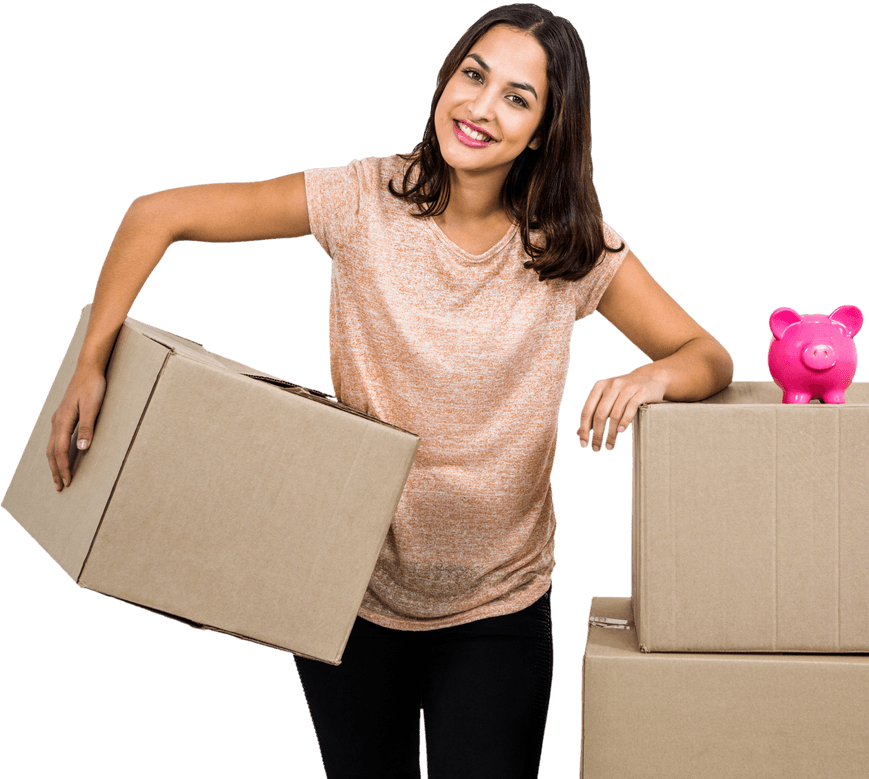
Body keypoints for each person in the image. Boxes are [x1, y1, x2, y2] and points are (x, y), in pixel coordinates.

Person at [45, 3, 733, 777]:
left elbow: (706, 353)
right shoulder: (362, 198)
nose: (480, 107)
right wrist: (91, 364)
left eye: (518, 96)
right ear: (446, 78)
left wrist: (653, 373)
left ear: (544, 130)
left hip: (496, 607)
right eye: (473, 75)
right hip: (346, 592)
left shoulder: (568, 247)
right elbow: (155, 214)